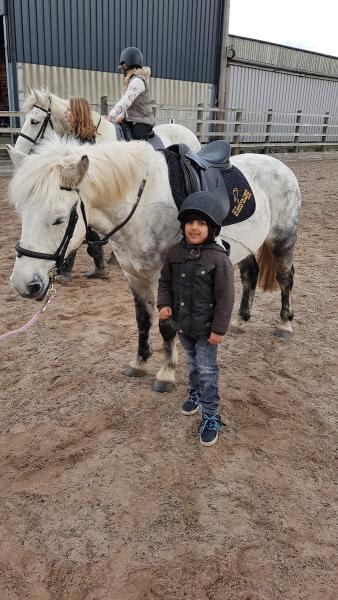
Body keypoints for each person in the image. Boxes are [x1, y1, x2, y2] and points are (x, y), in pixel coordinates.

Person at [157, 191, 235, 446]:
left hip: (206, 330)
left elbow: (225, 297)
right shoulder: (174, 253)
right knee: (192, 365)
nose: (194, 227)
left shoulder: (218, 259)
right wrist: (164, 304)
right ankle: (196, 394)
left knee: (208, 370)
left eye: (201, 223)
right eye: (190, 222)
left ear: (211, 229)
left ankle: (211, 414)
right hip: (183, 326)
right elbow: (165, 282)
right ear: (183, 226)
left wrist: (219, 329)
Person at [62, 97, 108, 280]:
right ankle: (100, 266)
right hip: (71, 188)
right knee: (86, 230)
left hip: (82, 190)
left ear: (78, 113)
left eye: (69, 110)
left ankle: (66, 271)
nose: (65, 112)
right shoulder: (70, 135)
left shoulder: (86, 139)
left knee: (75, 226)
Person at [107, 46, 154, 140]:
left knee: (135, 140)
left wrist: (111, 115)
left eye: (123, 67)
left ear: (125, 65)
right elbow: (128, 104)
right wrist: (121, 115)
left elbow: (126, 101)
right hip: (133, 120)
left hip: (142, 122)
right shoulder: (132, 80)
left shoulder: (138, 81)